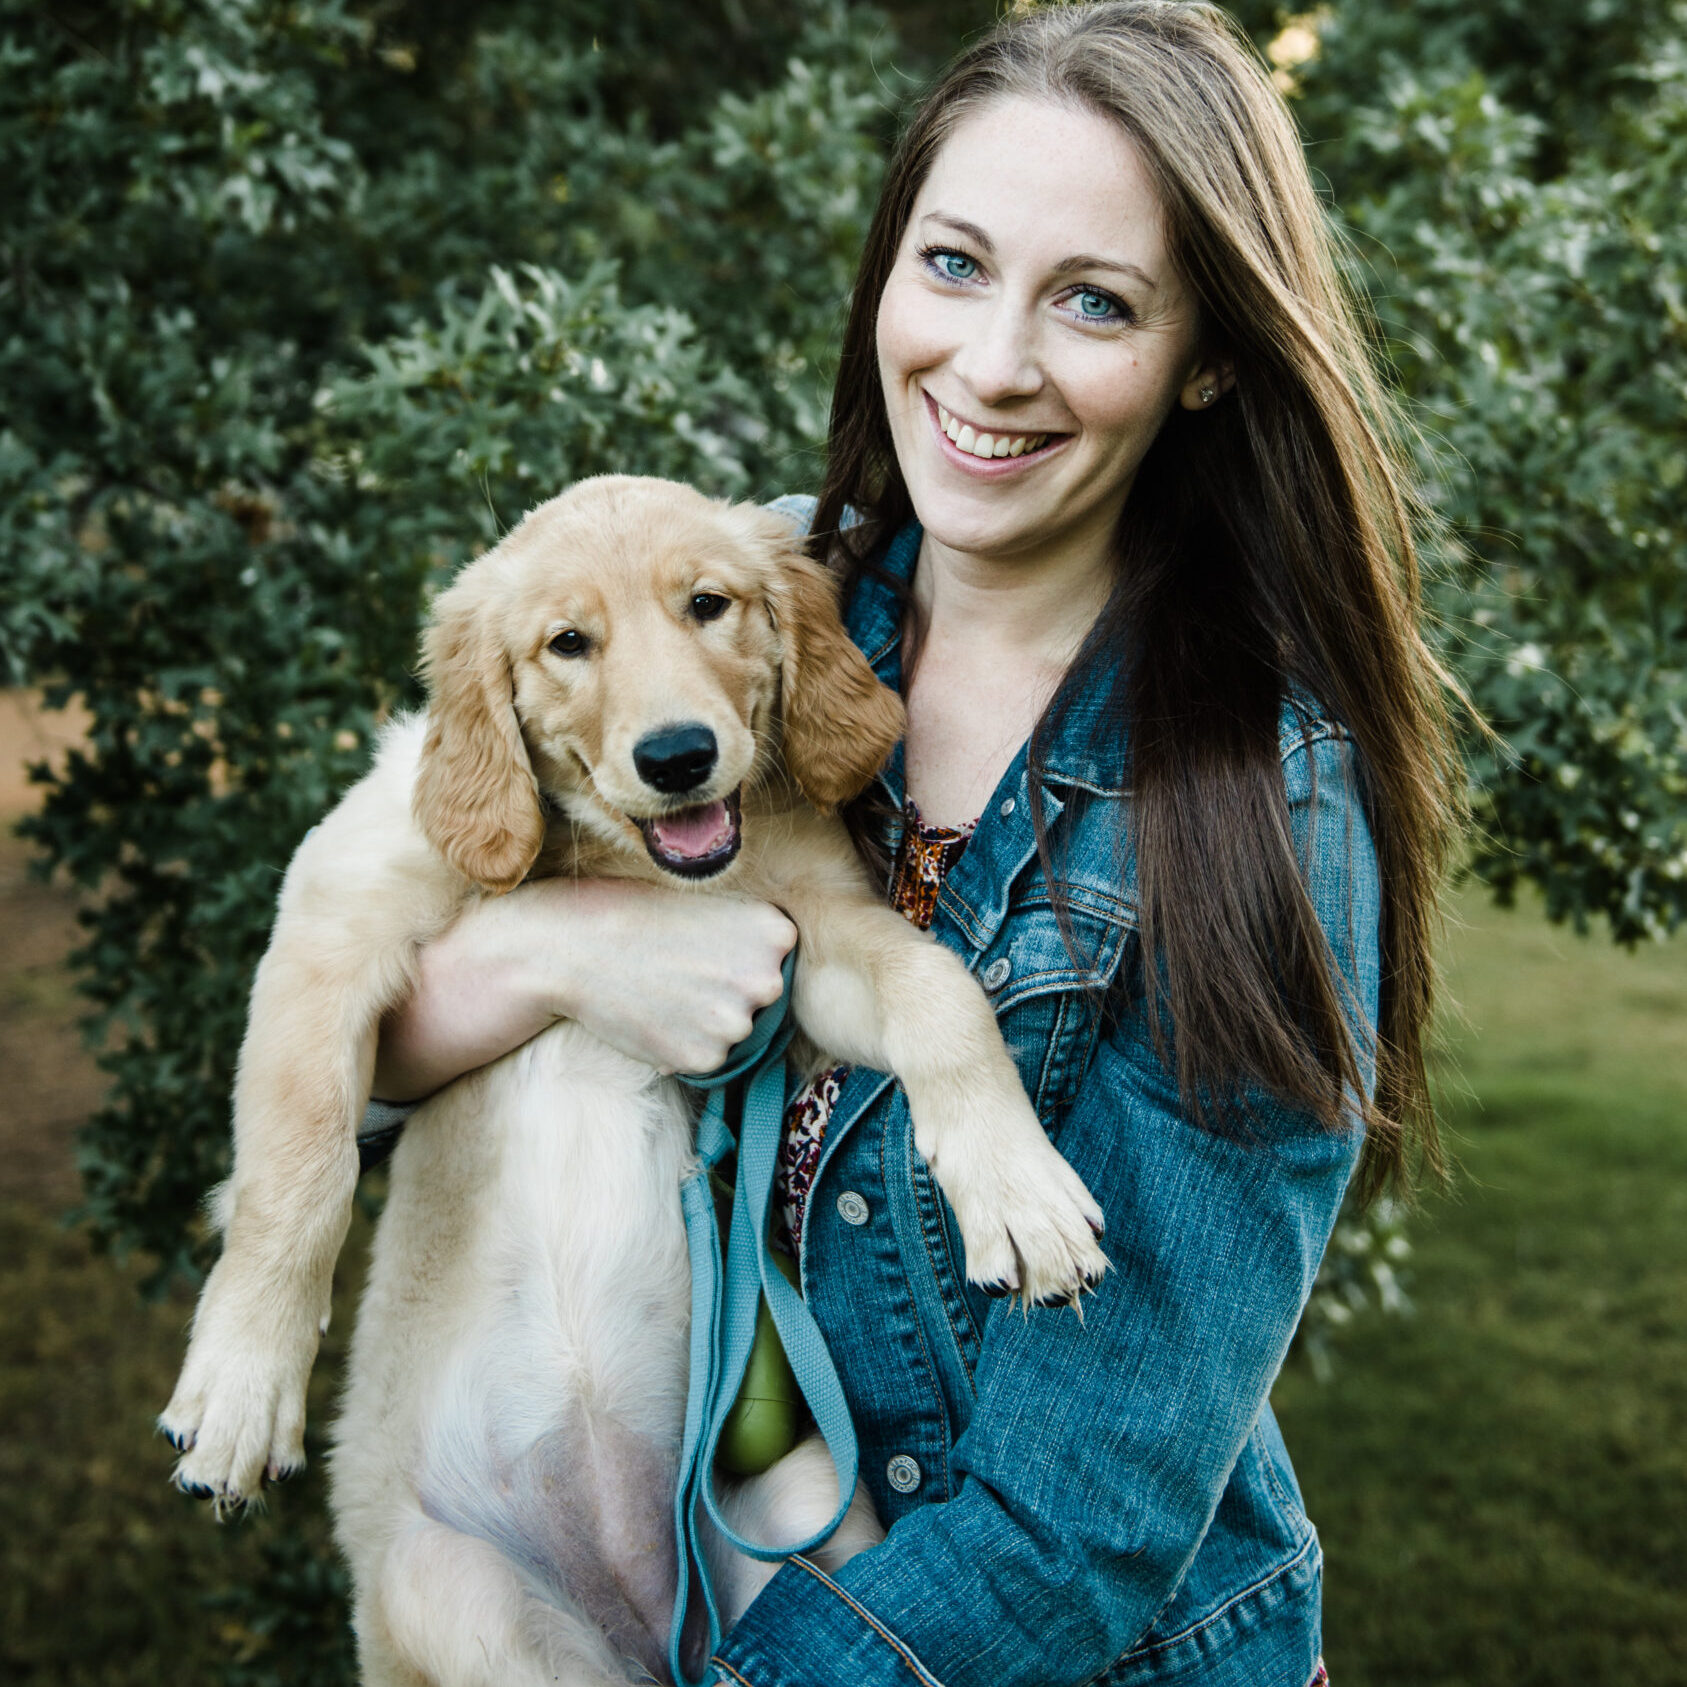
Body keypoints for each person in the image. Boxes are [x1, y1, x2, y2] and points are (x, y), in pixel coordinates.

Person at [371, 4, 1461, 1682]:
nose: (995, 361)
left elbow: (1075, 1533)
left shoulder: (1261, 797)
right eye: (954, 265)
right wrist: (563, 952)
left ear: (1209, 359)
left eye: (1094, 302)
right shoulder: (743, 598)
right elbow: (368, 1039)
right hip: (711, 1593)